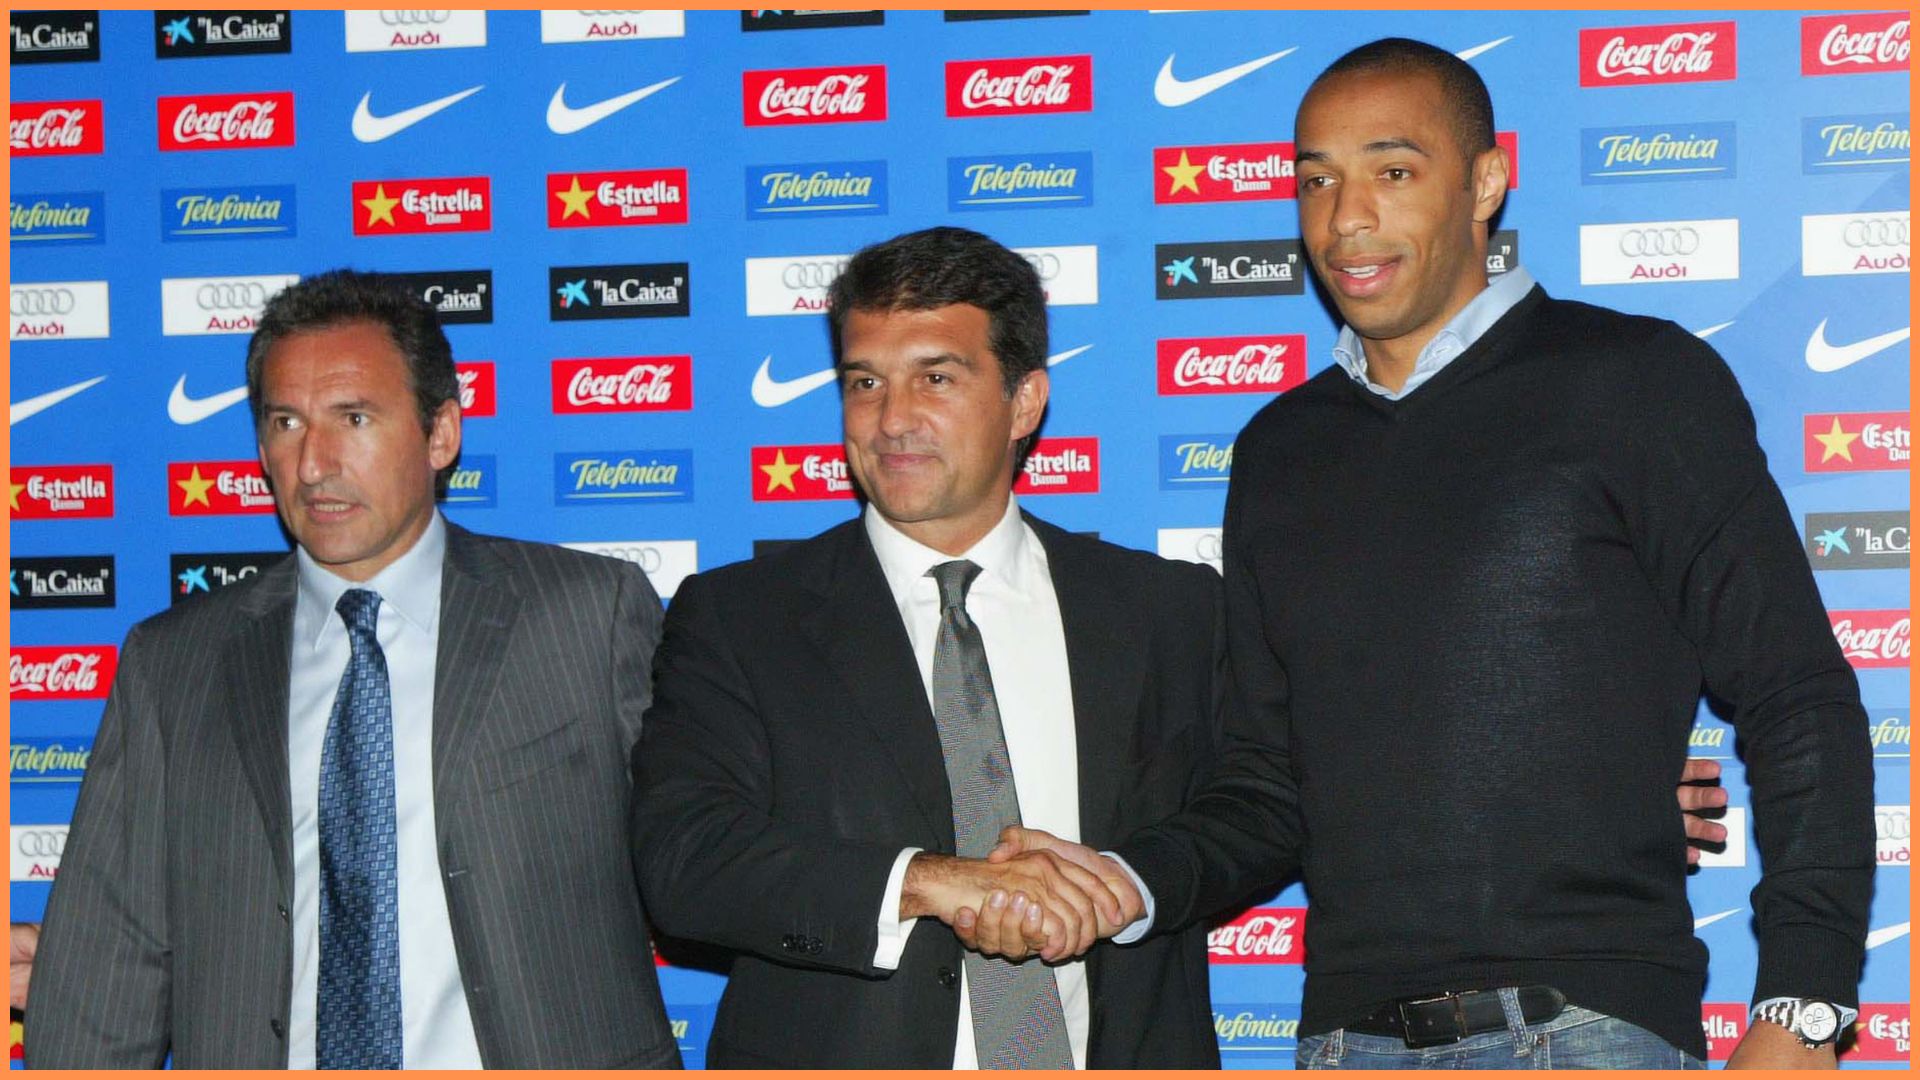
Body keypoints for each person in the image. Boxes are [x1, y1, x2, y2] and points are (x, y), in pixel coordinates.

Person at [996, 38, 1875, 1070]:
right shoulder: (1279, 452)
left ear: (1488, 181)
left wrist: (1805, 1005)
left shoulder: (1635, 381)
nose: (1346, 216)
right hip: (1340, 1043)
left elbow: (1796, 693)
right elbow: (1271, 787)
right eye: (1316, 179)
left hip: (1585, 1031)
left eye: (1393, 171)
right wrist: (1120, 880)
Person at [25, 271, 681, 1069]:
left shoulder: (586, 615)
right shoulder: (174, 664)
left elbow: (704, 855)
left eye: (355, 418)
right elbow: (111, 958)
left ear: (441, 434)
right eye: (286, 423)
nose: (313, 465)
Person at [630, 226, 1225, 1068]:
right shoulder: (740, 617)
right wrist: (932, 880)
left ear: (1025, 402)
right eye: (864, 382)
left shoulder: (1165, 607)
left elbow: (1258, 806)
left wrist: (1119, 885)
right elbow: (684, 857)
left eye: (935, 378)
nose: (892, 419)